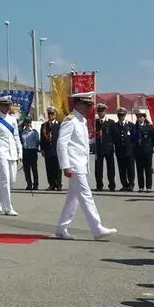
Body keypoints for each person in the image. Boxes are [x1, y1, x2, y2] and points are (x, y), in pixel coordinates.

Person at [55, 92, 117, 240]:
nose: (90, 107)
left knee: (73, 199)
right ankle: (97, 228)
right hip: (74, 165)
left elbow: (80, 143)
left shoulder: (81, 120)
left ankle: (61, 228)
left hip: (81, 164)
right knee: (86, 195)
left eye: (90, 105)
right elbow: (61, 144)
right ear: (78, 103)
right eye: (87, 104)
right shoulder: (70, 120)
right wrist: (66, 166)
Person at [0, 96, 22, 216]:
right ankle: (8, 207)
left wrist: (20, 151)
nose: (8, 107)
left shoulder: (12, 119)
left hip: (11, 152)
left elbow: (16, 136)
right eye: (5, 105)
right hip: (0, 152)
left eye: (9, 105)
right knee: (4, 180)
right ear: (0, 106)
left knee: (12, 180)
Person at [132, 110, 154, 192]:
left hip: (147, 151)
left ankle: (149, 186)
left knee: (148, 169)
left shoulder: (149, 127)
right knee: (139, 169)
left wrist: (149, 147)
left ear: (144, 118)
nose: (139, 118)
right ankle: (141, 187)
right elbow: (131, 139)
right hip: (138, 151)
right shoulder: (134, 127)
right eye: (138, 117)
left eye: (141, 117)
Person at [94, 103, 116, 191]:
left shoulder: (110, 122)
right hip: (98, 149)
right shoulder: (95, 122)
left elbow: (115, 136)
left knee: (110, 168)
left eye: (102, 111)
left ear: (105, 111)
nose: (100, 113)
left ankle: (112, 185)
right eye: (99, 111)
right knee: (98, 169)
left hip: (109, 148)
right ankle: (99, 185)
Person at [113, 107, 135, 191]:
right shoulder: (115, 126)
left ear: (125, 115)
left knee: (131, 169)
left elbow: (133, 138)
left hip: (129, 151)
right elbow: (113, 138)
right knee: (122, 169)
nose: (120, 116)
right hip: (120, 151)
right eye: (119, 115)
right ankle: (124, 184)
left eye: (122, 115)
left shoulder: (130, 125)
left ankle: (131, 184)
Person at [40, 106, 62, 191]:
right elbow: (42, 138)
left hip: (57, 150)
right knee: (49, 168)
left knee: (57, 168)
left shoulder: (59, 125)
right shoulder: (44, 125)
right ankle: (51, 184)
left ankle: (58, 184)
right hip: (48, 150)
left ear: (55, 114)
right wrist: (42, 149)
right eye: (49, 114)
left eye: (52, 113)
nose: (50, 115)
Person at [20, 117, 39, 190]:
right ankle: (29, 184)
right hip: (25, 151)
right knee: (26, 170)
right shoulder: (22, 132)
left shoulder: (34, 132)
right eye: (26, 122)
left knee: (34, 169)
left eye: (29, 122)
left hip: (32, 151)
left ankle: (36, 184)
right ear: (24, 123)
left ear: (31, 123)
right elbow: (21, 141)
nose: (27, 123)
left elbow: (37, 141)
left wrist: (35, 148)